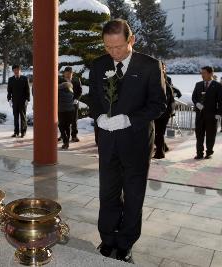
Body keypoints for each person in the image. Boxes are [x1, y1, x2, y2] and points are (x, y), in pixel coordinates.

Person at [87, 19, 166, 263]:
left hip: (136, 143)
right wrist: (98, 115)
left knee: (133, 196)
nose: (114, 53)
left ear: (131, 40)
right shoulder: (99, 65)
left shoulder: (151, 66)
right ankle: (108, 238)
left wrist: (128, 119)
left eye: (119, 47)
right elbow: (94, 100)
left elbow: (159, 105)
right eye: (108, 47)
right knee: (107, 194)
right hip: (108, 143)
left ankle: (126, 242)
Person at [192, 66, 222, 159]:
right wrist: (197, 104)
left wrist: (218, 113)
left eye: (204, 73)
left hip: (212, 115)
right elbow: (194, 97)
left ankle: (209, 153)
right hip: (200, 115)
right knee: (199, 135)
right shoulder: (198, 84)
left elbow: (221, 101)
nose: (202, 75)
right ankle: (199, 153)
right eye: (201, 73)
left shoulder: (218, 85)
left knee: (210, 135)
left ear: (210, 73)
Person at [153, 62, 176, 159]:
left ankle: (160, 153)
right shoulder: (158, 80)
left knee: (158, 133)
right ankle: (163, 148)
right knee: (157, 133)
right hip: (160, 112)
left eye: (163, 68)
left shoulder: (165, 82)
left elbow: (167, 98)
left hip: (162, 112)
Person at [58, 66, 82, 142]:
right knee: (62, 121)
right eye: (67, 73)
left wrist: (76, 99)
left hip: (73, 103)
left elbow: (80, 91)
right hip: (63, 105)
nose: (68, 75)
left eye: (70, 73)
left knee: (74, 120)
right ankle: (62, 135)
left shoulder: (76, 80)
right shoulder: (60, 81)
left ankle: (74, 136)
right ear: (64, 73)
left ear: (72, 74)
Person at [7, 65, 30, 138]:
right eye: (14, 70)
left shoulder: (25, 78)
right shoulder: (10, 79)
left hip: (23, 101)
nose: (16, 71)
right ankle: (16, 132)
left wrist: (27, 99)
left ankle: (23, 132)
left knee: (23, 117)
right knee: (15, 117)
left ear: (20, 70)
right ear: (13, 71)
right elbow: (9, 91)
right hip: (15, 101)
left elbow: (27, 90)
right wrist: (9, 99)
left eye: (17, 70)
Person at [58, 82, 75, 149]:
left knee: (61, 126)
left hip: (61, 111)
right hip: (70, 111)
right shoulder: (71, 92)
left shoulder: (59, 92)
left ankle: (65, 141)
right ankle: (66, 142)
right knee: (67, 126)